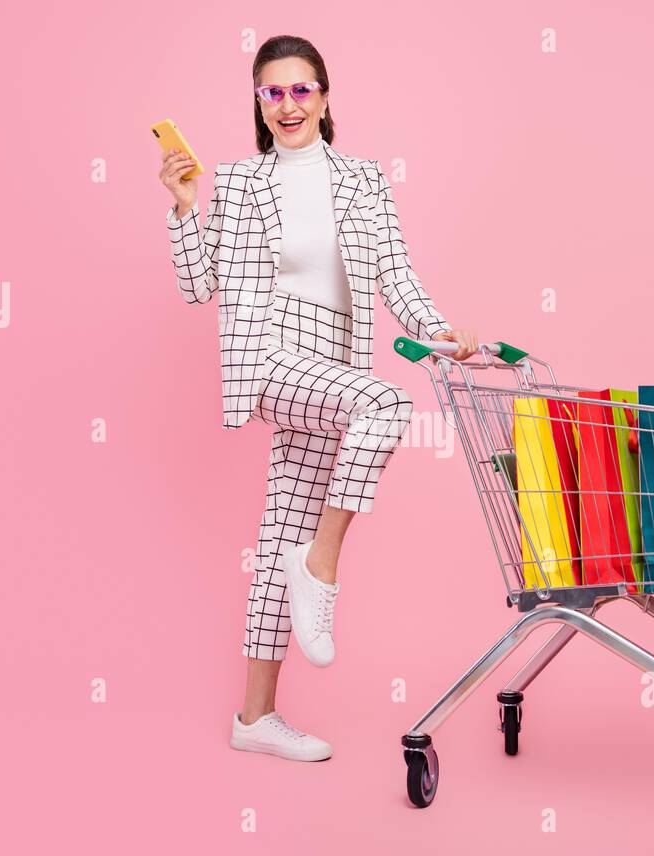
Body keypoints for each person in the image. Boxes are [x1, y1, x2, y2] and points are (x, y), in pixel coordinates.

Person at [160, 35, 478, 762]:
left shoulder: (364, 179)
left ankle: (254, 719)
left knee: (277, 540)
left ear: (326, 97)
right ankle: (324, 561)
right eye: (273, 93)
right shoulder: (240, 182)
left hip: (332, 363)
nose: (288, 105)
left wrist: (440, 332)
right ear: (259, 104)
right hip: (271, 357)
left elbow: (396, 276)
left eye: (301, 90)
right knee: (386, 406)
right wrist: (184, 209)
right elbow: (196, 287)